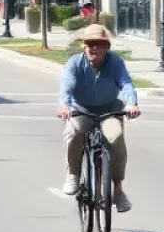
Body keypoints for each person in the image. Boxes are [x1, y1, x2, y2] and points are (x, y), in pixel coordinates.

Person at [57, 23, 140, 213]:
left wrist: (132, 103)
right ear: (84, 46)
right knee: (73, 132)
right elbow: (66, 87)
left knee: (116, 138)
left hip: (109, 110)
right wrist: (64, 105)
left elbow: (126, 83)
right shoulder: (75, 64)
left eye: (99, 44)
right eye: (90, 44)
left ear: (107, 47)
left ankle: (118, 191)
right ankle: (73, 174)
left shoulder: (115, 63)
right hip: (81, 109)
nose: (94, 48)